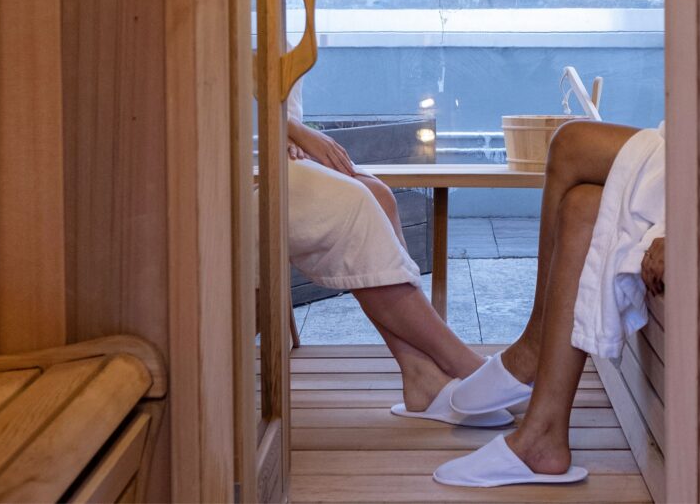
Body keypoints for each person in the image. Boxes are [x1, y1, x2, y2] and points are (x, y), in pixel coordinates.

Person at [432, 119, 666, 487]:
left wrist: (676, 228)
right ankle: (545, 435)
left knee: (572, 143)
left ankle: (536, 345)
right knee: (581, 207)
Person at [282, 83, 508, 426]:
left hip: (281, 151)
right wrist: (290, 130)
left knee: (379, 195)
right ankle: (465, 365)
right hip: (243, 166)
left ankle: (420, 377)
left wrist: (290, 130)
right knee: (354, 204)